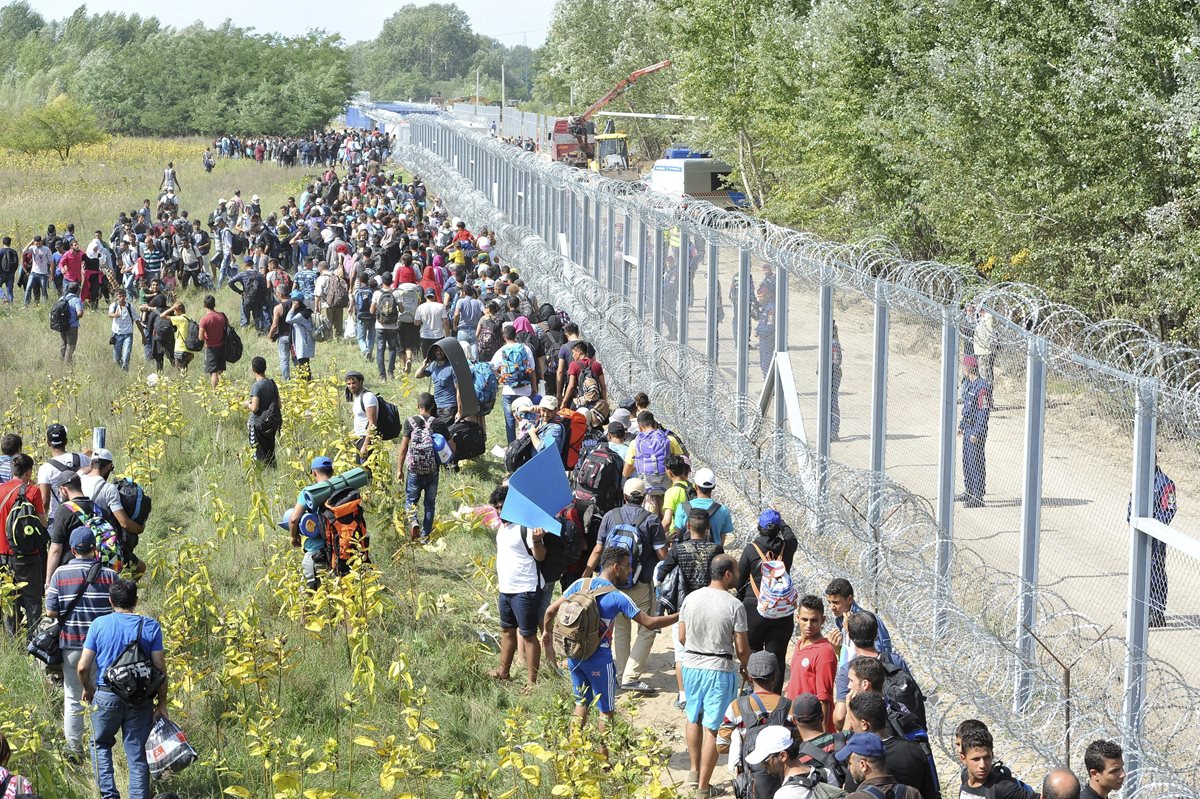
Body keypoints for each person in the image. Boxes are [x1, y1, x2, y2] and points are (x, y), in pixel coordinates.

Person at [541, 546, 678, 740]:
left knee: (581, 704)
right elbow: (650, 623)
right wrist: (682, 615)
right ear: (616, 567)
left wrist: (547, 635)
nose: (630, 570)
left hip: (575, 654)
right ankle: (604, 761)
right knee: (606, 711)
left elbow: (549, 612)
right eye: (627, 566)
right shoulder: (618, 597)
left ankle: (573, 752)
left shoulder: (580, 584)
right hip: (599, 659)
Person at [78, 578, 167, 799]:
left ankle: (109, 796)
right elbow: (160, 669)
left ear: (110, 601)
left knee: (100, 745)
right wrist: (162, 704)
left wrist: (88, 689)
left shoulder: (99, 625)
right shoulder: (150, 626)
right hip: (140, 699)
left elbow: (82, 667)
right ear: (136, 601)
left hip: (106, 695)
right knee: (137, 756)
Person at [582, 478, 668, 694]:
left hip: (613, 585)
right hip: (639, 584)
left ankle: (622, 674)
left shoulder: (611, 516)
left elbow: (598, 549)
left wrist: (587, 576)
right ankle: (630, 675)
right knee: (648, 629)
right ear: (644, 497)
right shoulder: (651, 520)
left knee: (620, 629)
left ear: (624, 494)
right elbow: (662, 555)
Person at [679, 553, 749, 797]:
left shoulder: (691, 598)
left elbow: (681, 637)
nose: (738, 576)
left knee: (693, 717)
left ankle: (693, 772)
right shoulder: (734, 606)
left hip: (691, 664)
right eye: (737, 572)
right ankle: (703, 788)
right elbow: (741, 648)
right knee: (712, 727)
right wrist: (747, 667)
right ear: (728, 574)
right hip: (718, 669)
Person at [45, 527, 118, 757]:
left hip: (72, 645)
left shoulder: (59, 574)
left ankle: (74, 750)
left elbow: (50, 611)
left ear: (73, 549)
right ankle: (100, 747)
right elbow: (118, 608)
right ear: (94, 549)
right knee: (102, 695)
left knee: (73, 697)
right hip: (103, 648)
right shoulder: (110, 575)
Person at [660, 508, 723, 708]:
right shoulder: (716, 550)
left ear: (688, 526)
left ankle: (684, 695)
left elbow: (662, 572)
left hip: (683, 608)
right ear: (708, 528)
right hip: (711, 606)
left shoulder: (678, 550)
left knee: (681, 653)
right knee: (708, 650)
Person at [488, 485, 546, 690]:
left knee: (529, 635)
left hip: (526, 590)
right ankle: (503, 672)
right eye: (496, 508)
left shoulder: (527, 526)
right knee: (507, 631)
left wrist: (538, 541)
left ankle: (532, 683)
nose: (499, 512)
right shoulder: (502, 527)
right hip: (506, 589)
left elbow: (540, 556)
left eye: (502, 507)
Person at [737, 509, 798, 693]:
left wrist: (741, 601)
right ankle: (775, 697)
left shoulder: (750, 549)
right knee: (777, 657)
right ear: (778, 529)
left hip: (754, 607)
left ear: (759, 528)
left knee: (753, 652)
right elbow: (790, 535)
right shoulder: (788, 546)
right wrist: (783, 523)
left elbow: (740, 580)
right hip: (781, 609)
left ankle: (753, 691)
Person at [717, 650, 789, 799]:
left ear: (748, 676)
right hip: (783, 782)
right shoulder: (788, 706)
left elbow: (721, 745)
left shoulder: (737, 706)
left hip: (751, 783)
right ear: (775, 676)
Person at [846, 692, 937, 799]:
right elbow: (930, 792)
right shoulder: (914, 750)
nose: (851, 725)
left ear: (864, 724)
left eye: (851, 720)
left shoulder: (859, 756)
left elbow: (850, 791)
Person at [832, 611, 913, 730]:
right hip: (899, 730)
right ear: (876, 634)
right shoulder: (895, 660)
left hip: (868, 736)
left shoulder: (849, 670)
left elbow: (839, 718)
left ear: (849, 635)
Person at [0, 454, 47, 636]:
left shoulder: (1, 489)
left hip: (3, 555)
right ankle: (33, 641)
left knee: (9, 600)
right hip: (27, 555)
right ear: (28, 472)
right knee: (32, 600)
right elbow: (42, 522)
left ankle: (13, 639)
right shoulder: (32, 491)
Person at [80, 449, 146, 577]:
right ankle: (123, 594)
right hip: (103, 543)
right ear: (110, 466)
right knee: (139, 568)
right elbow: (124, 522)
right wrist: (140, 528)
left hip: (81, 537)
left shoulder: (79, 480)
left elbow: (83, 470)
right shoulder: (108, 489)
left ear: (92, 464)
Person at [1127, 463, 1176, 628]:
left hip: (1155, 536)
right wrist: (1131, 520)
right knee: (1138, 569)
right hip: (1138, 532)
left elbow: (1169, 510)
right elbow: (1132, 502)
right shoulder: (1140, 479)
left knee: (1155, 571)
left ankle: (1156, 611)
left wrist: (1154, 528)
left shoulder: (1165, 483)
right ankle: (1139, 606)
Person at [396, 393, 448, 541]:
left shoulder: (409, 422)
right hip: (433, 470)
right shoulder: (438, 423)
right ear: (433, 407)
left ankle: (413, 523)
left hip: (414, 471)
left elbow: (403, 449)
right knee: (430, 504)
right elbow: (452, 447)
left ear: (418, 406)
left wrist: (399, 470)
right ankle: (425, 536)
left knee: (411, 501)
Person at [785, 595, 838, 732]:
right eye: (804, 619)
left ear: (823, 620)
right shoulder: (799, 644)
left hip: (811, 728)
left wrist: (823, 738)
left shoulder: (824, 652)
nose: (808, 625)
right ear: (797, 618)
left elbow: (824, 698)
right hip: (795, 722)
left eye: (814, 620)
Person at [623, 411, 685, 516]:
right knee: (669, 520)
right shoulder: (669, 439)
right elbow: (681, 463)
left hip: (647, 492)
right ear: (655, 423)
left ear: (639, 426)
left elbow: (625, 473)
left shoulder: (635, 443)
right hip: (668, 489)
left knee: (650, 522)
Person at [825, 577, 894, 666]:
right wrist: (837, 649)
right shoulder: (841, 620)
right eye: (829, 602)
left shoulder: (868, 620)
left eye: (836, 602)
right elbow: (849, 655)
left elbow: (878, 657)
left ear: (849, 599)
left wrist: (852, 631)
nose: (831, 607)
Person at [742, 725, 821, 799]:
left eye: (765, 761)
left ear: (783, 756)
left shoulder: (784, 795)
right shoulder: (825, 774)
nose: (763, 766)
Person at [958, 727, 1038, 799]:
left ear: (992, 755)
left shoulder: (1002, 787)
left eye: (987, 757)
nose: (983, 765)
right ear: (963, 758)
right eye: (976, 759)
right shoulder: (965, 776)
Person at [837, 733, 921, 799]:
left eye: (850, 763)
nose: (849, 768)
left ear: (863, 765)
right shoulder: (912, 793)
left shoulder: (855, 798)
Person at [36, 424, 91, 525]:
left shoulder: (45, 468)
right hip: (83, 514)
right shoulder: (82, 458)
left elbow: (44, 501)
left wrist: (43, 524)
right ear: (66, 441)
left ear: (48, 443)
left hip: (58, 516)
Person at [491, 323, 537, 444]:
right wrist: (534, 387)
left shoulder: (501, 351)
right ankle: (527, 443)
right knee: (526, 418)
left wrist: (501, 376)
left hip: (509, 390)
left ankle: (512, 446)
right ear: (516, 335)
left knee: (510, 421)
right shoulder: (525, 349)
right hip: (525, 389)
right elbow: (532, 368)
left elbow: (491, 367)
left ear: (504, 337)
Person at [958, 355, 991, 508]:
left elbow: (983, 413)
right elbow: (967, 409)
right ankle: (969, 491)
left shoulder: (982, 387)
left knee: (975, 462)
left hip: (976, 430)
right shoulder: (970, 385)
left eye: (963, 366)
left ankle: (978, 495)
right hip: (968, 427)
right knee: (967, 461)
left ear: (969, 368)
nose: (962, 368)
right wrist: (962, 425)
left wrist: (976, 433)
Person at [672, 467, 733, 547]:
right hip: (713, 556)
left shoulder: (683, 507)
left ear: (695, 486)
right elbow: (721, 540)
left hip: (687, 555)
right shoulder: (723, 510)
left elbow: (678, 535)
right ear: (713, 486)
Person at [246, 357, 282, 467]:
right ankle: (273, 473)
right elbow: (279, 404)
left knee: (258, 454)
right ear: (265, 368)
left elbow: (255, 408)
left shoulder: (256, 386)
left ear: (253, 370)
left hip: (257, 425)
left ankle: (263, 476)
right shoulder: (272, 383)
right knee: (270, 453)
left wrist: (247, 404)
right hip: (271, 423)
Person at [415, 344, 461, 426]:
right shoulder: (433, 365)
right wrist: (424, 365)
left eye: (441, 350)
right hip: (436, 407)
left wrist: (459, 411)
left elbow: (459, 390)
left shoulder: (451, 367)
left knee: (443, 433)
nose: (439, 352)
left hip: (449, 408)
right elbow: (417, 375)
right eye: (437, 350)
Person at [198, 294, 228, 388]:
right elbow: (228, 328)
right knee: (220, 370)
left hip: (211, 348)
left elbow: (200, 337)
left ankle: (215, 391)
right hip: (222, 346)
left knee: (213, 372)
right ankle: (222, 389)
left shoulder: (204, 319)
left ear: (204, 305)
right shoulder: (222, 316)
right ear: (214, 304)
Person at [285, 292, 315, 380]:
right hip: (301, 342)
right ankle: (305, 381)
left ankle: (306, 382)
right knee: (303, 364)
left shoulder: (302, 314)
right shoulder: (304, 311)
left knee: (303, 364)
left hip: (303, 343)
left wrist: (293, 308)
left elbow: (288, 319)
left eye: (294, 302)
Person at [415, 287, 450, 359]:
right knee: (439, 359)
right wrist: (448, 336)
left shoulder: (420, 307)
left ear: (425, 296)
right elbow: (445, 323)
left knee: (427, 359)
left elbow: (417, 323)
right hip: (438, 336)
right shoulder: (441, 306)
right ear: (434, 296)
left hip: (425, 336)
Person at [268, 284, 293, 380]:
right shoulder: (294, 304)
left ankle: (286, 379)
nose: (276, 295)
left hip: (283, 336)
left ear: (281, 294)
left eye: (277, 293)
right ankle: (301, 376)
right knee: (295, 357)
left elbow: (274, 325)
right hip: (294, 335)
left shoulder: (278, 308)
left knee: (284, 358)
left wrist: (270, 335)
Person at [57, 281, 85, 363]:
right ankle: (67, 366)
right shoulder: (76, 300)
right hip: (72, 326)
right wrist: (76, 317)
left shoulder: (61, 298)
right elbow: (79, 313)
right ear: (77, 290)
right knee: (70, 346)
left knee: (63, 345)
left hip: (62, 325)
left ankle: (61, 362)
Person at [108, 288, 135, 371]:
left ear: (125, 296)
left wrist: (143, 336)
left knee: (126, 356)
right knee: (116, 359)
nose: (121, 298)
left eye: (123, 296)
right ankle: (119, 373)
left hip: (128, 334)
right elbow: (109, 314)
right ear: (116, 297)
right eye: (119, 296)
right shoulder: (114, 305)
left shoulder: (130, 307)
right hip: (117, 334)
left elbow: (137, 320)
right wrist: (114, 315)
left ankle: (125, 372)